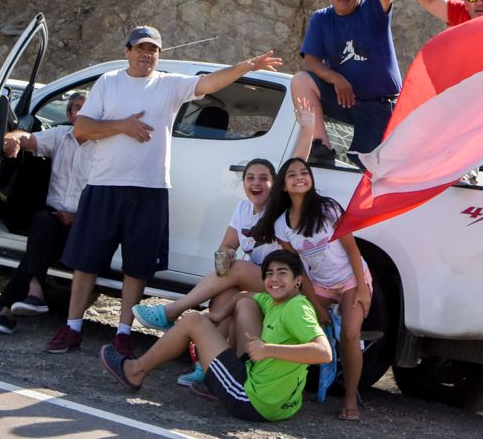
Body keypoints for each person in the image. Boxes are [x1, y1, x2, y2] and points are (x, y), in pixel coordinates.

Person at [45, 25, 282, 358]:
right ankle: (72, 327)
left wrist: (246, 67)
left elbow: (209, 82)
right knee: (86, 261)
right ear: (127, 51)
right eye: (140, 48)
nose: (146, 55)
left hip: (149, 190)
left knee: (137, 266)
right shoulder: (108, 83)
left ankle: (124, 333)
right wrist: (123, 126)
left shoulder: (169, 85)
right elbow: (82, 129)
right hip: (104, 186)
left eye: (153, 49)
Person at [131, 100, 316, 386]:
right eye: (250, 178)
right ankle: (207, 365)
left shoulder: (278, 206)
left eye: (264, 179)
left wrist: (307, 128)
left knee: (239, 269)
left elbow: (297, 162)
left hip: (283, 280)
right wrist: (223, 258)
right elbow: (226, 245)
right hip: (258, 280)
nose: (256, 183)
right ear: (243, 183)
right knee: (224, 291)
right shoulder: (243, 208)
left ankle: (173, 310)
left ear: (274, 184)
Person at [99, 250, 331, 422]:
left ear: (298, 281)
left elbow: (324, 352)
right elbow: (243, 294)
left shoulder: (296, 308)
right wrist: (218, 314)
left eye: (282, 273)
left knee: (192, 320)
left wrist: (268, 349)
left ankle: (135, 371)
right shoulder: (275, 300)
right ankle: (216, 384)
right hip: (282, 405)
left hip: (252, 401)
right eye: (269, 274)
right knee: (246, 305)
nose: (274, 279)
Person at [251, 157, 372, 421]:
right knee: (299, 321)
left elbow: (353, 250)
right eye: (292, 174)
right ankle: (287, 386)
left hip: (352, 278)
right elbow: (300, 271)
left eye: (304, 173)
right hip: (319, 285)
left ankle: (350, 398)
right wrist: (316, 306)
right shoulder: (282, 224)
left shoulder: (328, 208)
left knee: (351, 335)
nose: (300, 177)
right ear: (284, 185)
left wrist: (362, 289)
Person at [293, 0, 405, 166]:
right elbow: (311, 59)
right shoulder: (322, 19)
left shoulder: (372, 10)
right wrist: (336, 78)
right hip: (343, 99)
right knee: (300, 80)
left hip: (378, 105)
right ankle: (320, 147)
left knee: (369, 166)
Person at [0, 91, 92, 335]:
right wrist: (13, 137)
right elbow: (28, 138)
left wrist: (77, 218)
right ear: (69, 114)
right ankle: (34, 291)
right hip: (54, 217)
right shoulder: (59, 135)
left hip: (85, 221)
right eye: (77, 107)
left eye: (87, 108)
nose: (81, 112)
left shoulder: (104, 147)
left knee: (39, 245)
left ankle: (8, 311)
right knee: (42, 221)